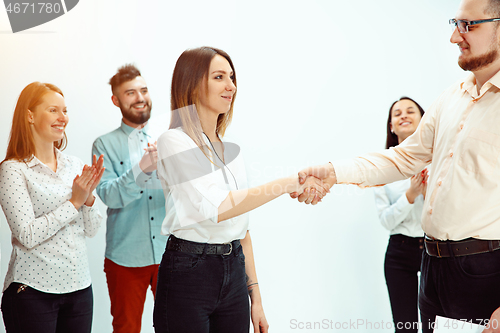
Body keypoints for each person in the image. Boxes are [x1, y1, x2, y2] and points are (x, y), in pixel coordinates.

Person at [292, 0, 500, 331]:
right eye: (454, 24)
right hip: (432, 269)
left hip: (484, 272)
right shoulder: (450, 99)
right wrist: (334, 172)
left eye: (468, 25)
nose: (454, 37)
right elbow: (403, 157)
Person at [152, 46, 327, 333]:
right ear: (192, 84)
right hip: (188, 274)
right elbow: (219, 208)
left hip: (233, 272)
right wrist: (288, 183)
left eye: (232, 77)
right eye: (219, 77)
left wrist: (255, 298)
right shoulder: (173, 141)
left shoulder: (230, 148)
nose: (231, 86)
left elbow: (241, 229)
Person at [0, 82, 104, 333]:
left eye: (64, 111)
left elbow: (91, 230)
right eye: (53, 110)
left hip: (79, 289)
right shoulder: (13, 170)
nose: (62, 118)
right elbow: (27, 234)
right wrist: (75, 202)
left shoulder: (74, 164)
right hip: (33, 292)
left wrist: (88, 198)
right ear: (30, 115)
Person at [92, 64, 168, 333]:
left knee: (178, 326)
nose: (140, 98)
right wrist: (143, 168)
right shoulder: (103, 145)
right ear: (116, 100)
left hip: (171, 254)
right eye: (130, 93)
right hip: (124, 258)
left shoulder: (169, 138)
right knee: (126, 328)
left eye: (144, 90)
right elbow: (108, 195)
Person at [373, 97, 427, 333]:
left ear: (423, 120)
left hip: (435, 250)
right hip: (399, 252)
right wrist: (411, 195)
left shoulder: (441, 160)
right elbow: (386, 221)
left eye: (410, 111)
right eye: (397, 114)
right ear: (391, 126)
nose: (403, 115)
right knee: (405, 328)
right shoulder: (381, 168)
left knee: (434, 325)